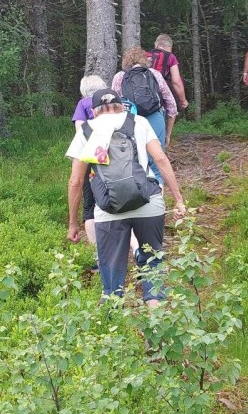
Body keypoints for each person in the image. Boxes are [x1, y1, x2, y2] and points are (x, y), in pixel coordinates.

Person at [66, 89, 187, 306]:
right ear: (122, 106)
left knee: (111, 277)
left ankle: (113, 328)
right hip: (148, 202)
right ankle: (156, 320)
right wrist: (178, 199)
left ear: (93, 112)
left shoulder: (86, 130)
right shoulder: (138, 121)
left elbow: (75, 181)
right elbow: (159, 158)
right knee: (152, 263)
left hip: (108, 210)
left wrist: (73, 223)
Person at [112, 47, 178, 182]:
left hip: (130, 121)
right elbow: (171, 104)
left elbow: (114, 105)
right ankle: (158, 196)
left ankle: (138, 197)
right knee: (157, 161)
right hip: (155, 117)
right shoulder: (154, 74)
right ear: (144, 60)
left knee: (133, 160)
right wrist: (168, 133)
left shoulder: (119, 77)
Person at [72, 75, 108, 263]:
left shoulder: (83, 104)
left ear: (84, 89)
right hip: (114, 158)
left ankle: (97, 255)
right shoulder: (110, 100)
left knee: (90, 205)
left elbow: (80, 130)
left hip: (90, 159)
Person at [148, 34, 189, 114]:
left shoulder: (146, 55)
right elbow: (176, 82)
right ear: (169, 47)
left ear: (156, 44)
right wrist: (183, 100)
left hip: (141, 95)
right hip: (158, 96)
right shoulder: (170, 57)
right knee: (170, 114)